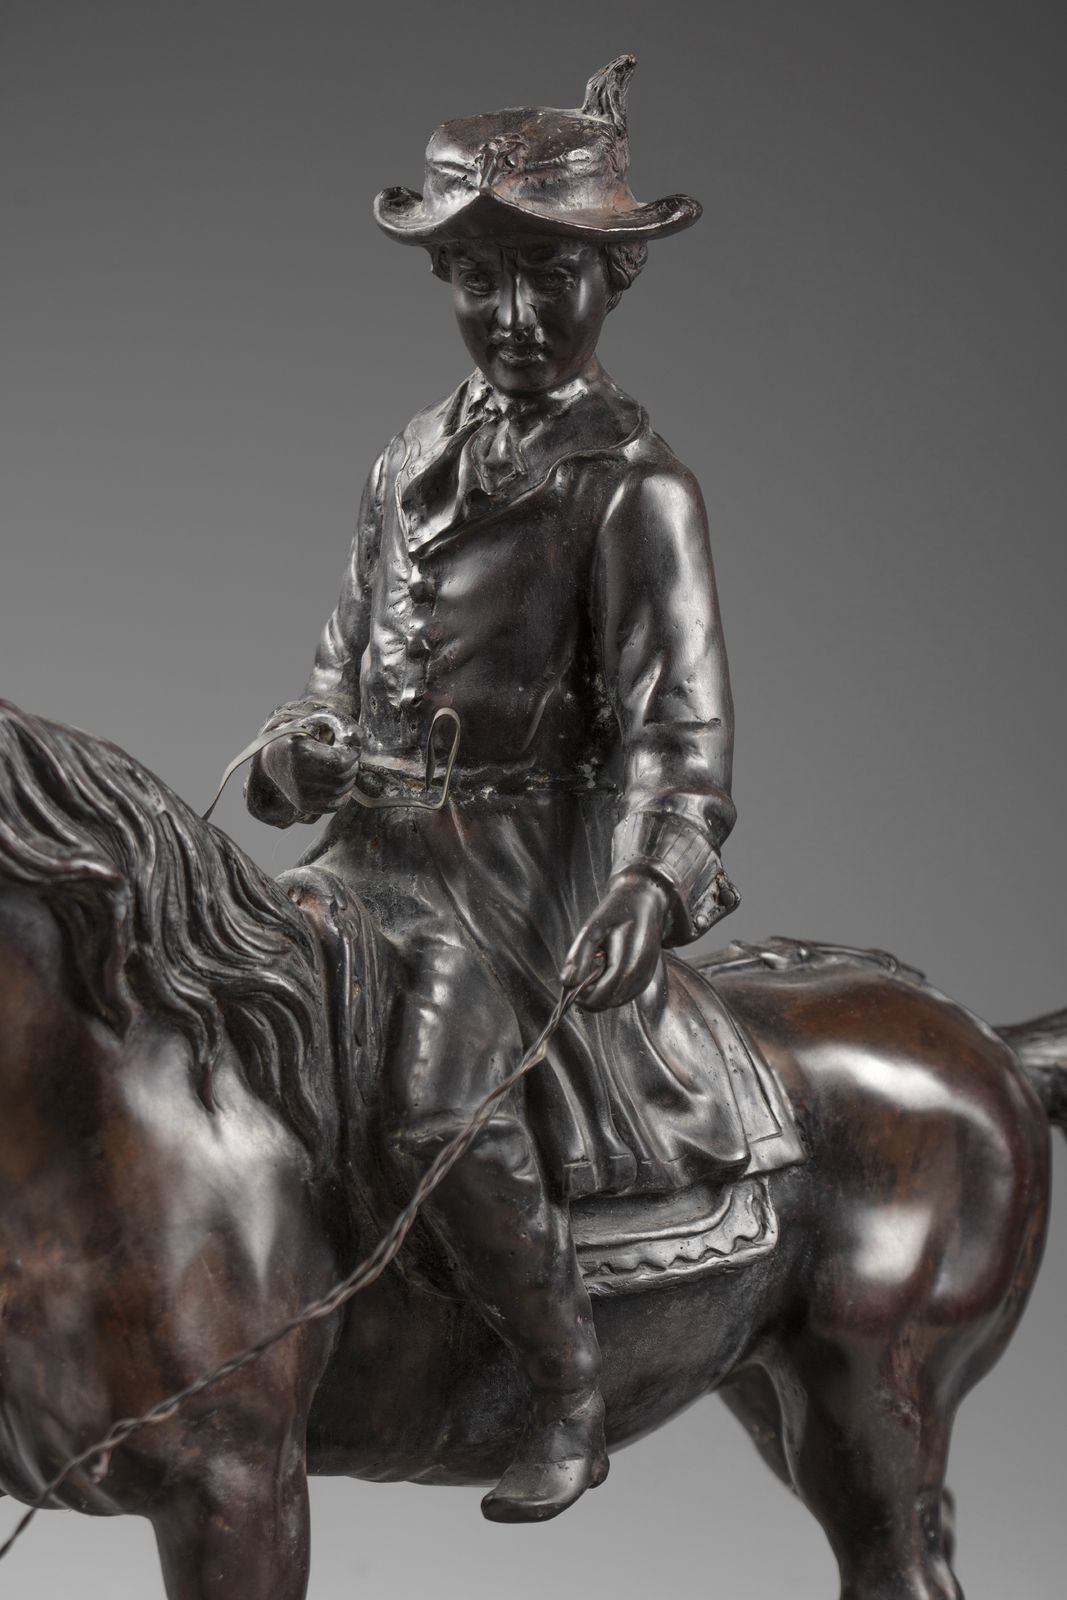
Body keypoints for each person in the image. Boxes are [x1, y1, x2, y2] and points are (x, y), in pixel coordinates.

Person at [246, 56, 798, 1522]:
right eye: (481, 277)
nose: (514, 313)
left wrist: (648, 885)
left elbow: (682, 739)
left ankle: (566, 1389)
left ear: (614, 275)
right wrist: (301, 749)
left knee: (441, 1103)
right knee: (219, 1008)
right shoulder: (406, 461)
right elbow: (334, 670)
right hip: (365, 859)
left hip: (515, 879)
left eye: (550, 275)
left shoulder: (633, 491)